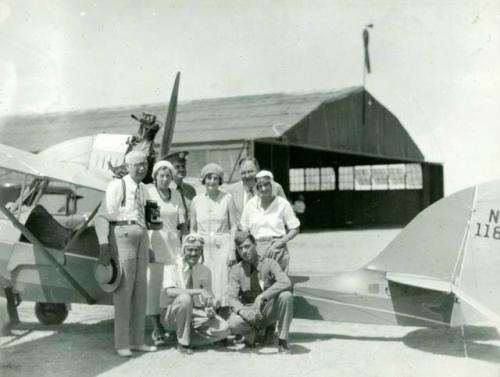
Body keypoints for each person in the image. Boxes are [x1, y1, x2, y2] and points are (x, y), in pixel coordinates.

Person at [98, 150, 157, 357]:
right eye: (138, 164)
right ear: (128, 165)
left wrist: (148, 244)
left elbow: (150, 219)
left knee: (141, 291)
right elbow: (104, 216)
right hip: (122, 234)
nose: (142, 168)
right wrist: (103, 244)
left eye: (145, 164)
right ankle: (121, 343)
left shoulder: (145, 189)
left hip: (142, 236)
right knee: (124, 291)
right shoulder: (117, 185)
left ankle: (137, 340)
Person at [161, 233, 231, 354]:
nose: (194, 254)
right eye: (190, 250)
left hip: (196, 314)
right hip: (172, 314)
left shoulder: (205, 270)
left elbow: (208, 298)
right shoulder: (171, 265)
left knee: (225, 329)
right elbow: (170, 291)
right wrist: (198, 291)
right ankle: (183, 342)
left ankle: (184, 339)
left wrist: (211, 308)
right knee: (185, 298)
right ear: (184, 250)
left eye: (197, 250)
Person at [227, 231, 294, 354]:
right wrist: (242, 311)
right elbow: (232, 298)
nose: (244, 251)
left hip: (267, 309)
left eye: (247, 246)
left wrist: (263, 296)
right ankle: (254, 334)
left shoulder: (270, 263)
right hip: (250, 311)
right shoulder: (236, 270)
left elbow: (286, 282)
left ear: (255, 244)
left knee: (286, 296)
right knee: (232, 323)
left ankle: (283, 340)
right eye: (240, 248)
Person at [145, 160, 187, 346]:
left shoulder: (176, 194)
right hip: (155, 243)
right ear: (155, 177)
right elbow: (150, 223)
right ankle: (156, 327)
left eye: (168, 176)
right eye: (161, 175)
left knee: (175, 284)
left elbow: (182, 223)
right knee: (154, 287)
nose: (164, 179)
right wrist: (148, 247)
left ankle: (171, 324)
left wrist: (184, 244)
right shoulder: (150, 193)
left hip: (174, 245)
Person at [190, 163, 237, 308]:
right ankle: (206, 313)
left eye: (215, 178)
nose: (211, 181)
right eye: (208, 178)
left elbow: (234, 225)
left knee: (221, 280)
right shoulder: (196, 201)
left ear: (220, 180)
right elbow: (193, 227)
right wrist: (193, 247)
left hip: (223, 245)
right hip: (202, 247)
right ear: (203, 180)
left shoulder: (227, 198)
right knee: (205, 278)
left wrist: (232, 250)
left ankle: (222, 313)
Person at [240, 170, 300, 273]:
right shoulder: (251, 204)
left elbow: (295, 228)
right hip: (256, 251)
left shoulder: (282, 203)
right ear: (256, 187)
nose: (263, 188)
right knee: (258, 286)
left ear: (272, 184)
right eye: (259, 185)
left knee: (279, 285)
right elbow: (243, 229)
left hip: (277, 249)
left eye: (266, 184)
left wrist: (280, 243)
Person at [225, 156, 286, 223]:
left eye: (250, 171)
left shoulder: (274, 187)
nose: (247, 176)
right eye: (243, 173)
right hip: (241, 232)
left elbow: (286, 213)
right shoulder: (231, 190)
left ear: (258, 170)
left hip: (267, 231)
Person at [165, 151, 196, 227]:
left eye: (183, 166)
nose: (181, 169)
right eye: (177, 167)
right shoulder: (164, 190)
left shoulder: (190, 190)